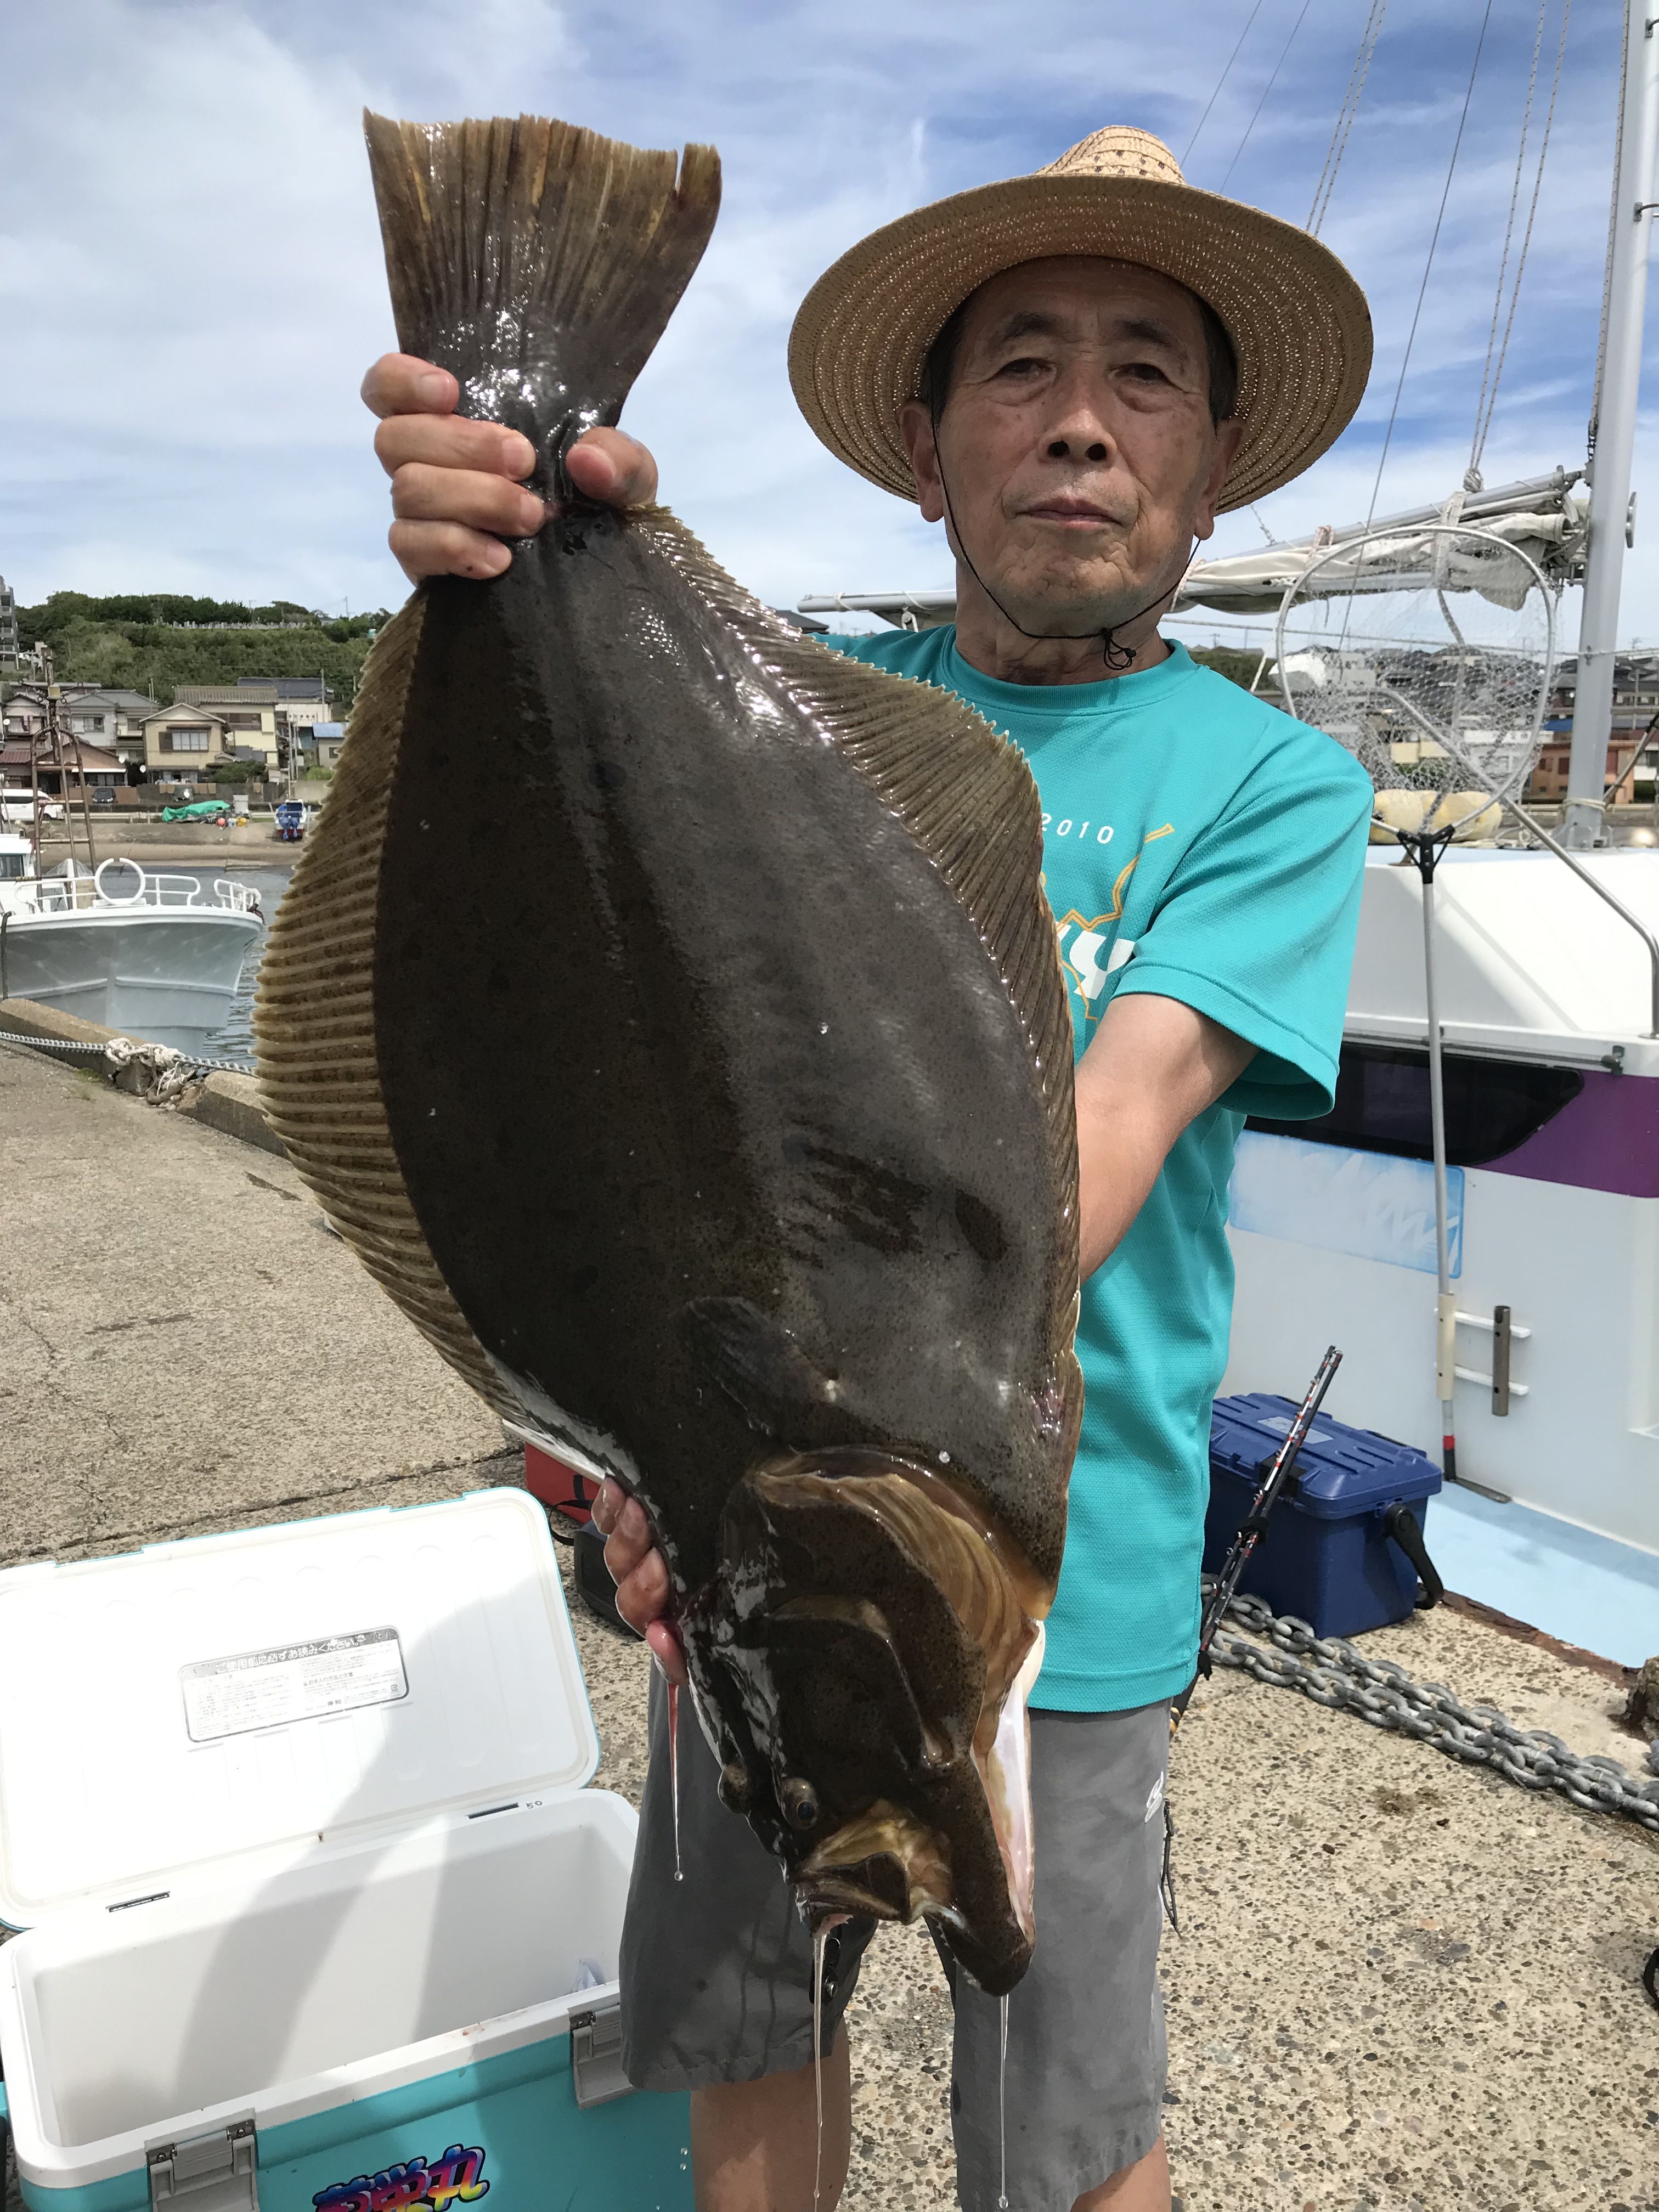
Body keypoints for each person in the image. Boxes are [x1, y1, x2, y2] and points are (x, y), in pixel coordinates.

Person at [363, 123, 1375, 2212]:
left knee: (1073, 2130)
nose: (1080, 422)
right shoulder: (803, 704)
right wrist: (499, 522)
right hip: (725, 1558)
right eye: (1021, 366)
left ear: (1211, 468)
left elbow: (1090, 1149)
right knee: (751, 2049)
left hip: (1058, 1588)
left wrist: (731, 1463)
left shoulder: (1275, 788)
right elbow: (582, 1044)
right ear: (927, 449)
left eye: (1146, 374)